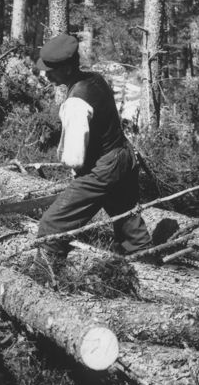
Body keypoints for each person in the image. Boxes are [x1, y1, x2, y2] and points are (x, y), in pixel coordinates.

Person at [33, 33, 153, 274]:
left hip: (103, 168)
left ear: (66, 69)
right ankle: (151, 273)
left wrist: (80, 179)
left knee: (51, 225)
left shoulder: (76, 102)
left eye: (51, 70)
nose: (46, 74)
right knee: (130, 227)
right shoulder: (94, 79)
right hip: (123, 157)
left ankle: (43, 280)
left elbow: (74, 159)